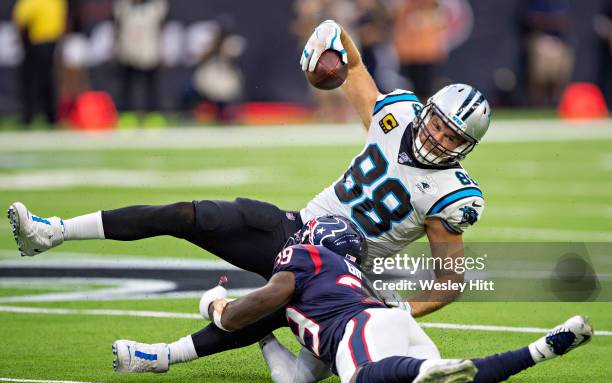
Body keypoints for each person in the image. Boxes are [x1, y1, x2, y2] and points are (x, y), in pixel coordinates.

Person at [9, 19, 489, 320]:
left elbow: (451, 279)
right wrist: (330, 32)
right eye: (440, 125)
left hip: (339, 273)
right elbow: (353, 64)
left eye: (454, 138)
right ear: (426, 111)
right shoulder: (395, 115)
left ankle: (207, 336)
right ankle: (53, 233)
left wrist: (402, 310)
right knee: (188, 215)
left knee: (259, 328)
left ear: (466, 147)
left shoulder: (451, 195)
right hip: (296, 229)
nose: (439, 139)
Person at [111, 215, 593, 383]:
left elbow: (247, 309)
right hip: (385, 323)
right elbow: (293, 376)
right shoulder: (339, 280)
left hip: (360, 328)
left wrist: (217, 305)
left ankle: (419, 371)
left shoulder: (304, 258)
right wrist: (261, 333)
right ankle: (540, 349)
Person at [12, 0, 67, 125]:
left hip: (36, 43)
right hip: (51, 43)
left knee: (30, 81)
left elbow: (20, 20)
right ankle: (51, 117)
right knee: (48, 80)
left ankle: (29, 117)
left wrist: (19, 40)